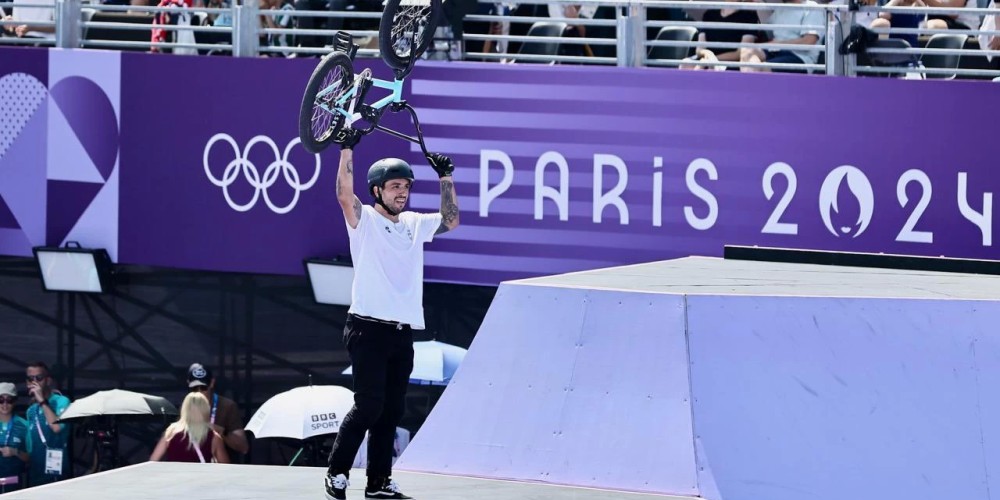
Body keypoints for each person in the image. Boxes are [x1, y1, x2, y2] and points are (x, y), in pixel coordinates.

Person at [323, 128, 459, 500]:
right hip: (366, 328)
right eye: (395, 185)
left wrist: (445, 177)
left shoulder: (415, 224)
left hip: (401, 332)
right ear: (377, 190)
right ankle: (336, 474)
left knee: (391, 412)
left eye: (406, 186)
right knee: (368, 406)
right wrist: (347, 147)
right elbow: (342, 194)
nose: (402, 192)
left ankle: (378, 482)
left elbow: (450, 220)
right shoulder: (364, 219)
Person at [184, 363, 249, 459]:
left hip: (221, 468)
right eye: (194, 388)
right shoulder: (186, 406)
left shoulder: (227, 407)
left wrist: (222, 432)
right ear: (188, 384)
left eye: (203, 388)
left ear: (212, 383)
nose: (199, 392)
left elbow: (243, 448)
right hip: (194, 466)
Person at [24, 362, 71, 487]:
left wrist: (42, 402)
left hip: (56, 473)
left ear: (48, 380)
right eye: (30, 379)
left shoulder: (62, 401)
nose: (34, 382)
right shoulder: (31, 410)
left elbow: (56, 427)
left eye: (38, 378)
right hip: (35, 473)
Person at [150, 392, 229, 464]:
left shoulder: (171, 432)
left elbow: (153, 461)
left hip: (175, 478)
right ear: (206, 409)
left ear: (184, 409)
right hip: (202, 479)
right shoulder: (214, 437)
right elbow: (226, 467)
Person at [0, 383, 28, 493]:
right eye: (1, 400)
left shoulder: (24, 425)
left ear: (15, 401)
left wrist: (15, 452)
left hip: (14, 483)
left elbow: (31, 458)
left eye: (9, 400)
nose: (5, 404)